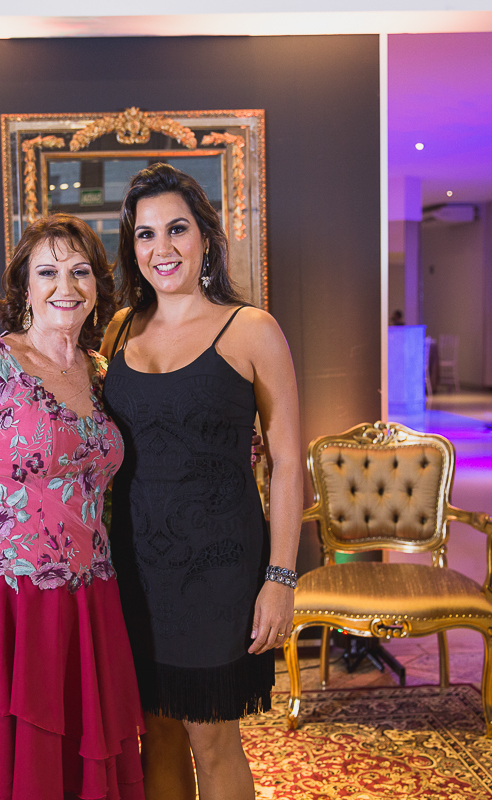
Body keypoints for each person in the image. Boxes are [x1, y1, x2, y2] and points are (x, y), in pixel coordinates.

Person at [0, 214, 144, 799]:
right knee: (19, 769)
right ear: (23, 286)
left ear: (97, 285)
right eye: (48, 272)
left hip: (91, 601)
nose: (65, 286)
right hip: (9, 605)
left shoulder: (102, 373)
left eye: (80, 271)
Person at [100, 163, 303, 800]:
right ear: (132, 247)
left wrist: (281, 578)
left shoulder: (252, 329)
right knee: (156, 731)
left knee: (211, 736)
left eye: (177, 229)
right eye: (145, 234)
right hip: (135, 569)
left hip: (220, 567)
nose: (162, 248)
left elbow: (287, 462)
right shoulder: (119, 330)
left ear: (206, 237)